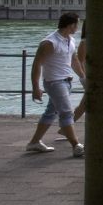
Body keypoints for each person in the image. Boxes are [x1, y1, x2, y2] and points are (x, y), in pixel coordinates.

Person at [25, 12, 85, 157]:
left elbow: (74, 59)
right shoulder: (50, 42)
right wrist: (35, 87)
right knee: (66, 112)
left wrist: (83, 77)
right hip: (54, 83)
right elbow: (37, 65)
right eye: (77, 23)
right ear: (71, 25)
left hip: (66, 82)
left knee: (50, 113)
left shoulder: (70, 40)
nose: (78, 27)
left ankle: (34, 142)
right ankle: (76, 145)